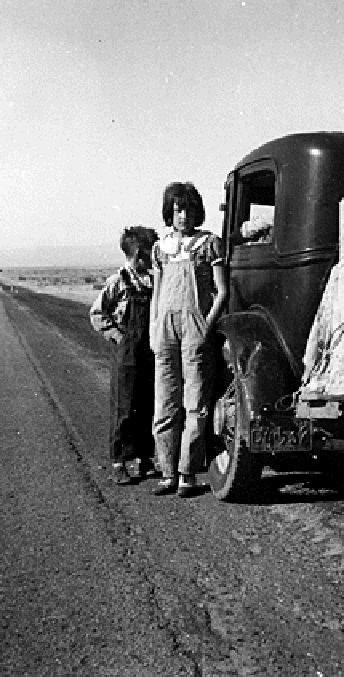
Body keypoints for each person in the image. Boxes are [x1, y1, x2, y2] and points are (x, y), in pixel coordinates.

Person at [150, 182, 228, 498]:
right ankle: (167, 472)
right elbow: (157, 294)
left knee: (195, 403)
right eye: (178, 209)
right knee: (165, 403)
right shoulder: (161, 248)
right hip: (165, 329)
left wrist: (206, 328)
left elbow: (222, 292)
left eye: (189, 209)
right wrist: (156, 329)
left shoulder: (209, 244)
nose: (184, 216)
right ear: (170, 212)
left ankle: (187, 473)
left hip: (195, 327)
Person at [90, 226, 159, 485]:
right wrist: (119, 338)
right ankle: (119, 461)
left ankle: (144, 457)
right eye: (151, 251)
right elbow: (97, 314)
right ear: (140, 254)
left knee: (147, 404)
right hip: (126, 354)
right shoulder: (117, 281)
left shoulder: (153, 280)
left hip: (149, 351)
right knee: (124, 407)